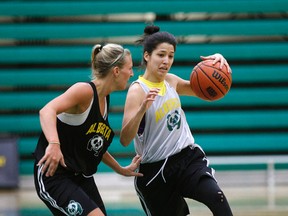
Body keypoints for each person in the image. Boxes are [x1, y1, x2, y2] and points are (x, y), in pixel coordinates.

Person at [120, 25, 233, 216]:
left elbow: (206, 92)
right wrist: (141, 110)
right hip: (155, 172)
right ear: (147, 56)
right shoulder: (137, 90)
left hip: (186, 159)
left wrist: (218, 62)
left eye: (170, 56)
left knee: (217, 198)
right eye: (161, 55)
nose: (166, 61)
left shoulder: (171, 81)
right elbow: (124, 139)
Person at [33, 43, 143, 216]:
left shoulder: (104, 98)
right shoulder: (84, 91)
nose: (131, 73)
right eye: (129, 69)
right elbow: (47, 111)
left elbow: (93, 145)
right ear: (115, 71)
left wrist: (119, 169)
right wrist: (54, 143)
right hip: (54, 174)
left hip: (80, 176)